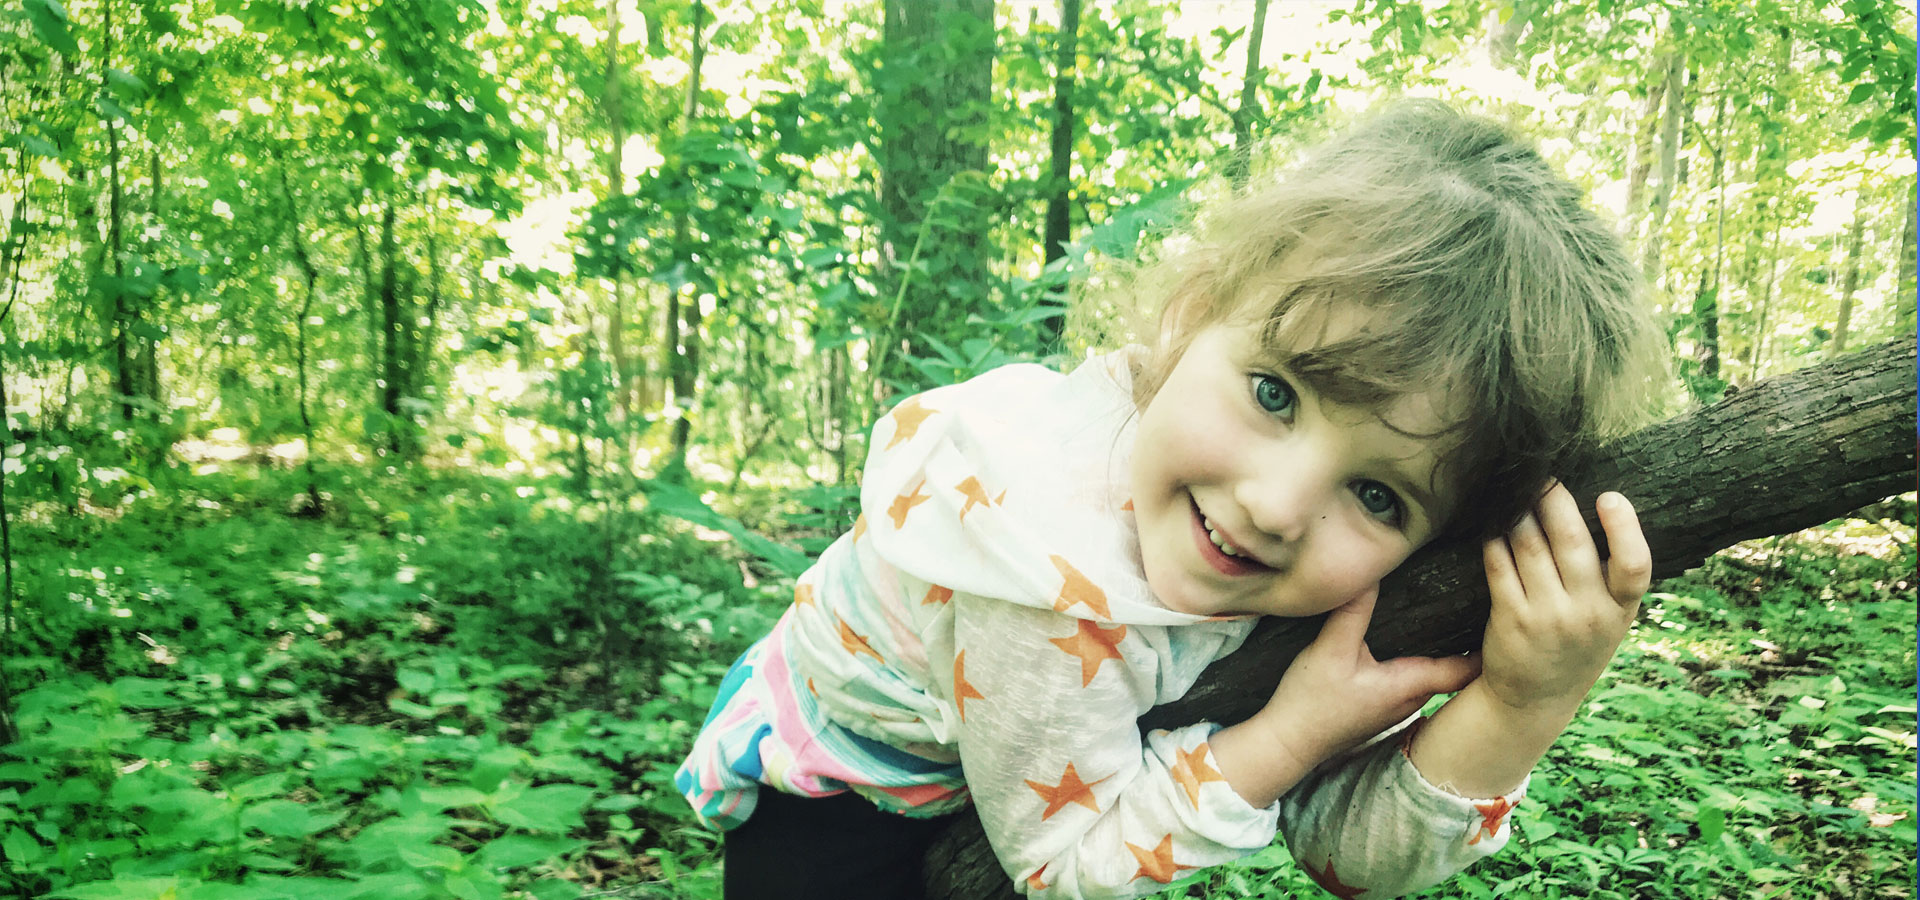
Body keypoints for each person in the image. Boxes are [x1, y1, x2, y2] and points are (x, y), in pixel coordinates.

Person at [675, 99, 1667, 900]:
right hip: (846, 796)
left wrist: (1523, 701)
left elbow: (1350, 857)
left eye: (1378, 492)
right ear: (1189, 322)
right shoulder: (1039, 564)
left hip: (1029, 760)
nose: (1277, 507)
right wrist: (1288, 736)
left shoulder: (1305, 572)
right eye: (1275, 392)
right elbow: (1065, 865)